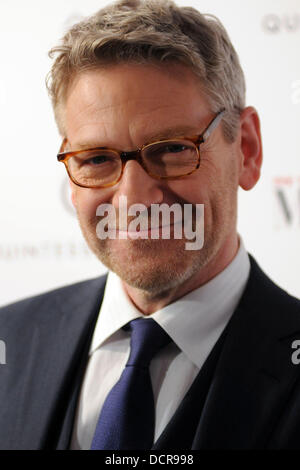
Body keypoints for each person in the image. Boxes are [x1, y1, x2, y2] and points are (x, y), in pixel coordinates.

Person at [0, 0, 300, 451]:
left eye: (173, 150)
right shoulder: (10, 340)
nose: (134, 199)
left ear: (248, 149)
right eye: (98, 159)